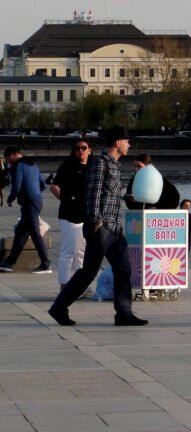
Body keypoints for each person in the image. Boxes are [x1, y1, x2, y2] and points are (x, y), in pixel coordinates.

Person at [48, 126, 149, 327]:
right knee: (89, 271)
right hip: (101, 228)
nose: (129, 145)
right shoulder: (100, 164)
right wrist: (96, 221)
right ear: (117, 143)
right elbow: (92, 194)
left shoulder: (114, 165)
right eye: (127, 141)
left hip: (115, 228)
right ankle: (59, 307)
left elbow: (107, 195)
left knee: (123, 269)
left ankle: (124, 313)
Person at [0, 146, 52, 274]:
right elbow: (43, 184)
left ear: (12, 155)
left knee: (34, 232)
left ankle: (45, 264)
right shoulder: (32, 165)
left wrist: (10, 199)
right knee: (20, 232)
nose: (8, 161)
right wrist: (35, 194)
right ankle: (9, 262)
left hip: (29, 203)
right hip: (36, 201)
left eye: (8, 159)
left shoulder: (19, 165)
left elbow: (17, 185)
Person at [49, 138, 92, 287]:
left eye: (84, 148)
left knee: (82, 253)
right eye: (77, 148)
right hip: (70, 215)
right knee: (68, 251)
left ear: (89, 150)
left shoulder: (92, 167)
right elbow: (54, 186)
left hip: (86, 215)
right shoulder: (67, 166)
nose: (80, 150)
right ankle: (64, 285)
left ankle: (80, 286)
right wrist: (67, 201)